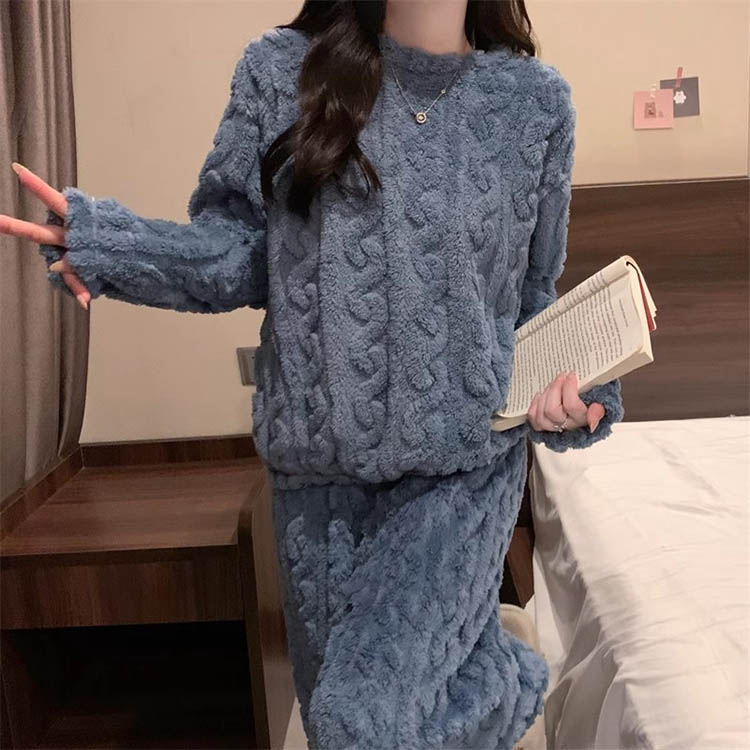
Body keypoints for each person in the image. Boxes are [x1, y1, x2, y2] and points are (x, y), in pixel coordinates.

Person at [1, 1, 624, 746]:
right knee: (339, 715)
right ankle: (494, 676)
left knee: (355, 721)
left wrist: (584, 392)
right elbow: (240, 253)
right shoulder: (279, 72)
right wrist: (117, 245)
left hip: (462, 475)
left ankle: (496, 675)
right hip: (316, 480)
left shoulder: (533, 104)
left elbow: (530, 298)